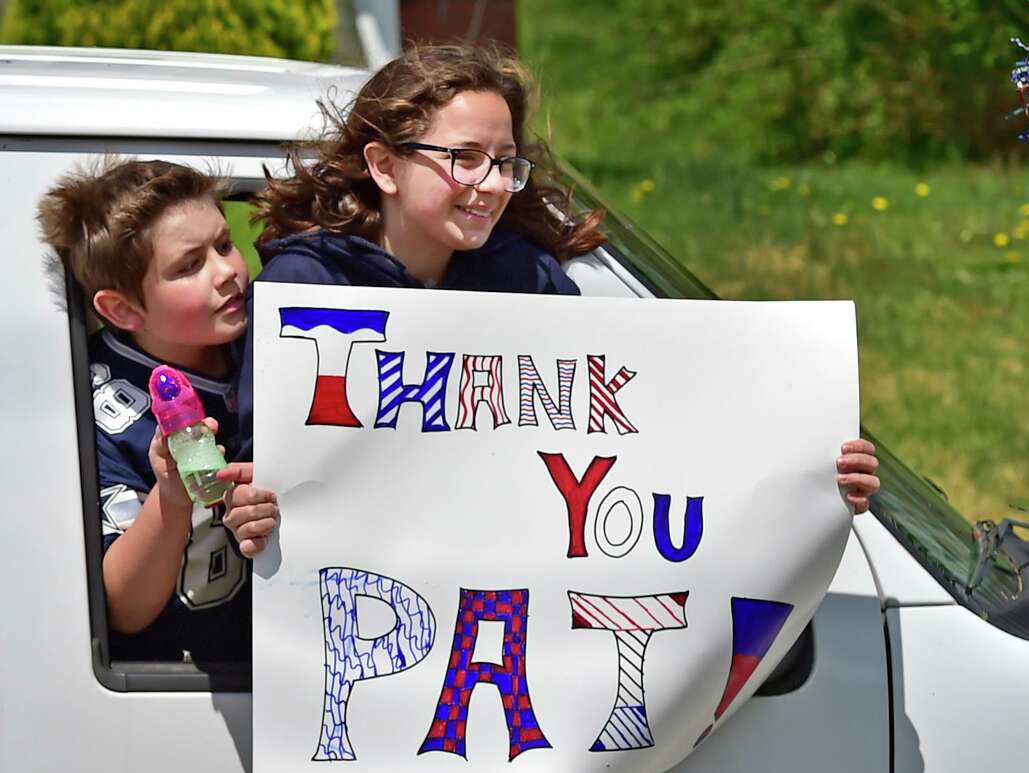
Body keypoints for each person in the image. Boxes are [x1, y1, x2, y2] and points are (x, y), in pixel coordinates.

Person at [223, 44, 877, 554]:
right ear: (385, 165)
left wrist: (807, 466)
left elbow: (640, 431)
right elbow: (267, 475)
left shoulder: (529, 281)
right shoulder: (304, 292)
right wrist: (250, 511)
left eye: (504, 161)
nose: (491, 183)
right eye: (464, 157)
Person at [38, 159, 278, 661]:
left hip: (281, 667)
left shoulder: (274, 339)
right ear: (123, 310)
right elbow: (124, 608)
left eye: (224, 244)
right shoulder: (96, 409)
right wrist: (171, 495)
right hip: (177, 692)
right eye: (190, 266)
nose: (226, 273)